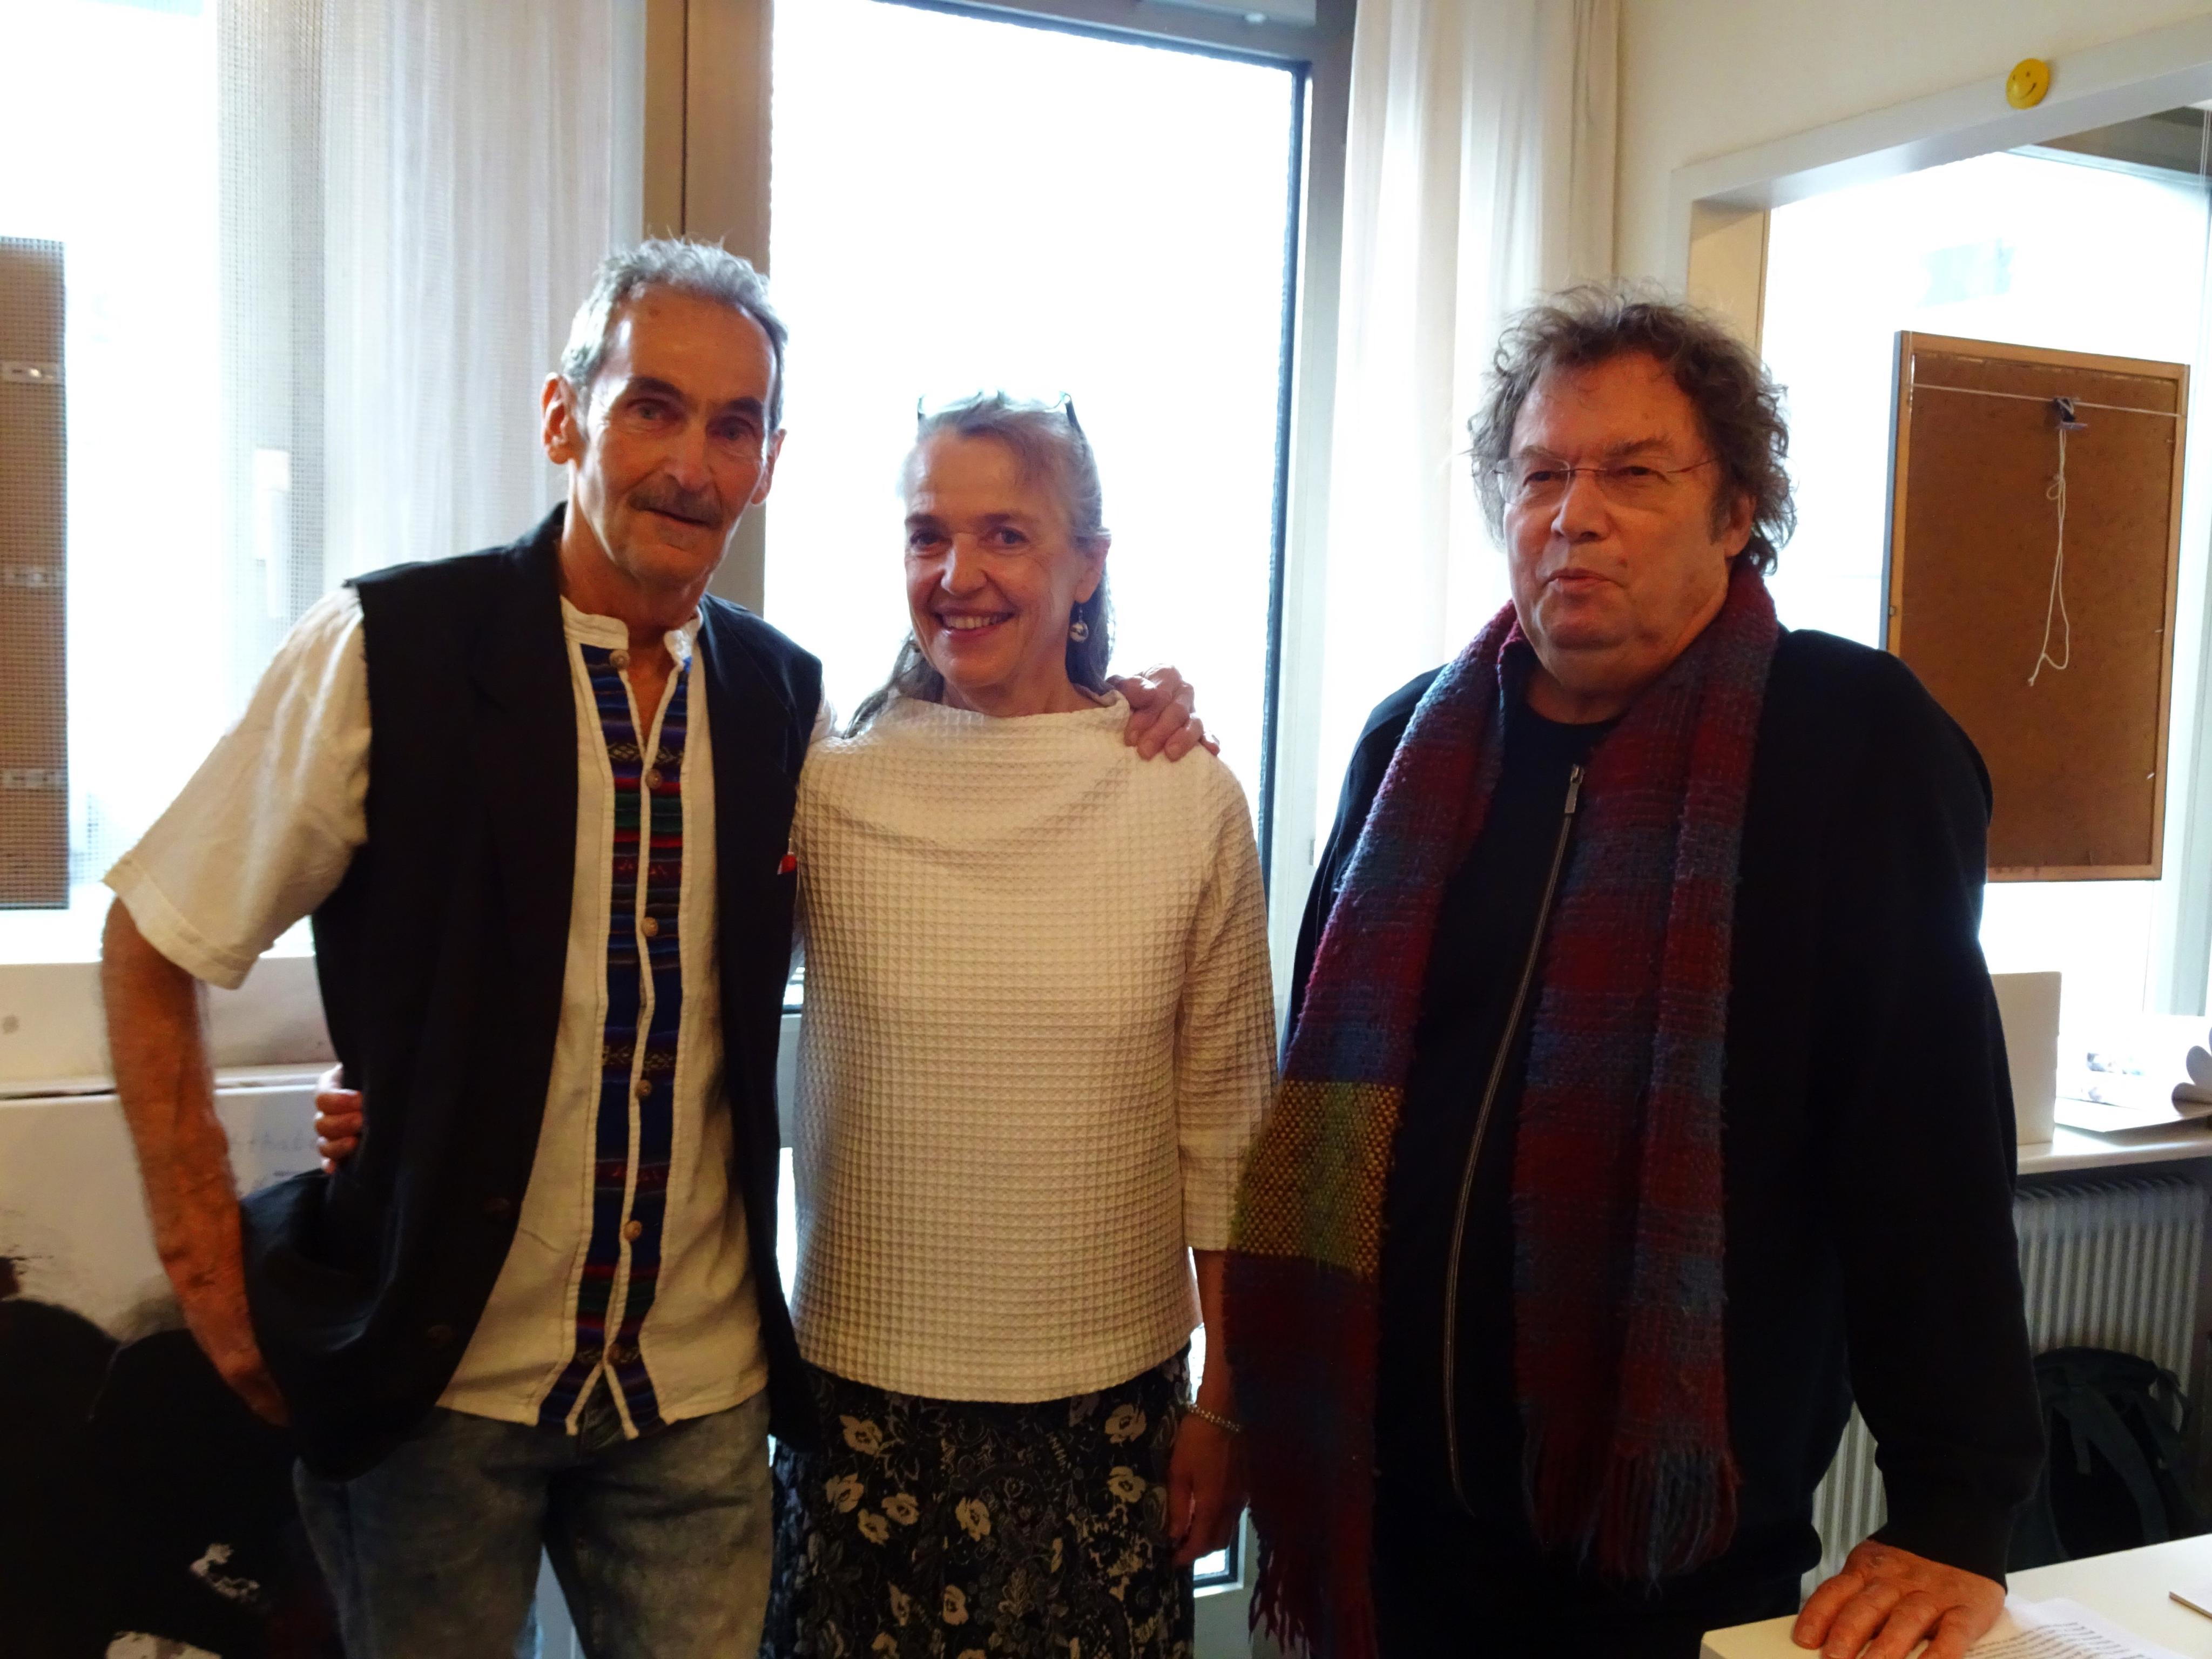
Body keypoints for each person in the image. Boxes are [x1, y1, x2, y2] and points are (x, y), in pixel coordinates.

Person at [99, 240, 1204, 1659]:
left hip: (695, 1400)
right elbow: (155, 938)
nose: (692, 464)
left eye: (734, 425)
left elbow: (974, 816)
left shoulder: (781, 702)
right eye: (652, 408)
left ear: (770, 463)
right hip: (440, 1386)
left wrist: (1123, 708)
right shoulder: (388, 649)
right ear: (564, 417)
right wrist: (210, 1271)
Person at [1226, 288, 2042, 1659]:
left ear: (1735, 514)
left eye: (1634, 473)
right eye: (1539, 473)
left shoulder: (1846, 742)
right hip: (1392, 1521)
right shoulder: (1408, 744)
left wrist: (1955, 1511)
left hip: (1663, 1554)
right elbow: (1325, 1096)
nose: (1573, 514)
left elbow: (1927, 1141)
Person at [757, 394, 1277, 1659]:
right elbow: (664, 985)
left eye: (1006, 535)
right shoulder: (823, 783)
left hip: (1105, 1412)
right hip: (860, 1398)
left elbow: (1231, 1131)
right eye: (927, 534)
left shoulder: (1184, 797)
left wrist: (1228, 1403)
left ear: (1087, 564)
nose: (958, 574)